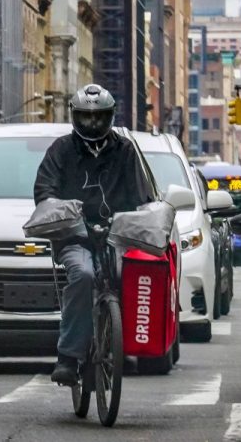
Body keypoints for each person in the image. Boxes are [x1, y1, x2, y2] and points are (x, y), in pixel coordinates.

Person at [34, 84, 155, 385]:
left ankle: (119, 342)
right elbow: (43, 191)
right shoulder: (60, 149)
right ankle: (68, 356)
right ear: (75, 117)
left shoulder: (125, 150)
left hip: (117, 236)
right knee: (84, 275)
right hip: (74, 236)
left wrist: (146, 216)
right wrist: (64, 212)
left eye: (99, 117)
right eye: (86, 117)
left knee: (130, 274)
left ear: (110, 116)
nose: (92, 124)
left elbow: (143, 196)